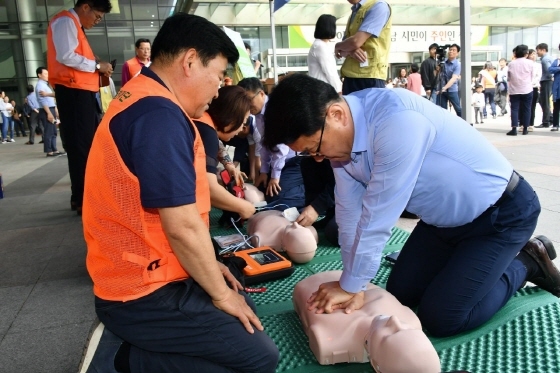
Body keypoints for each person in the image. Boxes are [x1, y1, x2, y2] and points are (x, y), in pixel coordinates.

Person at [260, 73, 560, 338]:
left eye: (315, 148)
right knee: (401, 293)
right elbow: (350, 214)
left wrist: (352, 286)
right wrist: (351, 279)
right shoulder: (341, 144)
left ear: (336, 114)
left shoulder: (396, 121)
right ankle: (467, 264)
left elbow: (377, 216)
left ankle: (527, 262)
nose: (318, 158)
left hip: (499, 216)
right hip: (441, 223)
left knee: (443, 317)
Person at [82, 13, 279, 372]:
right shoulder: (158, 115)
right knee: (258, 357)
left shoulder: (146, 98)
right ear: (189, 62)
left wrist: (210, 266)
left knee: (241, 309)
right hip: (140, 290)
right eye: (218, 75)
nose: (219, 89)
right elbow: (182, 226)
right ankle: (122, 360)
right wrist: (218, 294)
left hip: (148, 271)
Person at [293, 271, 441, 372]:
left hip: (310, 289)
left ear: (376, 366)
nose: (394, 320)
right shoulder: (411, 320)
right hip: (340, 280)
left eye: (388, 335)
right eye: (407, 329)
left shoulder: (328, 341)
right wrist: (353, 286)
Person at [47, 0, 114, 215]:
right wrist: (96, 65)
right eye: (97, 16)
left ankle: (81, 197)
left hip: (80, 92)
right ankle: (84, 199)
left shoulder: (75, 25)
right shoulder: (66, 21)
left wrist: (98, 66)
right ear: (85, 6)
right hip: (73, 92)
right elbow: (65, 56)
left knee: (84, 146)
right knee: (80, 148)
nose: (96, 21)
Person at [238, 77, 306, 210]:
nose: (248, 105)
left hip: (295, 160)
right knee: (264, 191)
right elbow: (264, 145)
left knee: (277, 197)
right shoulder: (258, 115)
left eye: (249, 100)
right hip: (278, 163)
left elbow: (281, 148)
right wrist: (264, 172)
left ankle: (305, 198)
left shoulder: (275, 110)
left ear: (261, 94)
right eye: (244, 102)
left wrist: (274, 177)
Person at [192, 85, 256, 220]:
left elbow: (216, 143)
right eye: (242, 122)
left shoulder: (204, 122)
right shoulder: (207, 133)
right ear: (232, 118)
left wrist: (229, 165)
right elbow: (209, 187)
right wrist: (242, 206)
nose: (240, 129)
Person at [335, 0, 392, 94]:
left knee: (371, 108)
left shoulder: (379, 6)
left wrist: (338, 46)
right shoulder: (355, 11)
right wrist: (350, 50)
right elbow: (343, 50)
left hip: (370, 76)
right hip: (350, 77)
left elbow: (355, 41)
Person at [308, 14, 342, 93]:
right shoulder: (320, 47)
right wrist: (339, 90)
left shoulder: (319, 45)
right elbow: (330, 72)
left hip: (321, 90)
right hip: (324, 92)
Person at [506, 45, 534, 136]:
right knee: (527, 108)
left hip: (514, 90)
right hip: (527, 89)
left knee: (514, 109)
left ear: (515, 53)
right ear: (526, 53)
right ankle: (525, 129)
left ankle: (514, 128)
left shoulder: (511, 64)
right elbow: (532, 76)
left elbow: (509, 78)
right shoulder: (530, 63)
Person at [36, 67, 62, 156]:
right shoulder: (40, 85)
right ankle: (49, 150)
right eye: (45, 74)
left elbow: (50, 100)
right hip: (46, 110)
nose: (47, 76)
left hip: (51, 108)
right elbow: (42, 101)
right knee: (49, 131)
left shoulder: (45, 85)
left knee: (53, 131)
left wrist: (55, 110)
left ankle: (54, 149)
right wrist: (49, 113)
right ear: (39, 75)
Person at [437, 43, 462, 117]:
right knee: (442, 110)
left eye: (454, 50)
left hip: (452, 90)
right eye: (450, 50)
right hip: (441, 89)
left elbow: (454, 78)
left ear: (457, 53)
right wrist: (437, 68)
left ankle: (463, 122)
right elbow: (436, 74)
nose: (451, 51)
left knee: (458, 109)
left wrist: (445, 88)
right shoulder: (442, 61)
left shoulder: (457, 64)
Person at [535, 43, 553, 129]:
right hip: (547, 81)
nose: (537, 52)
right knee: (543, 101)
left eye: (538, 50)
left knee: (544, 101)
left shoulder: (545, 60)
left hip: (546, 81)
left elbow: (549, 71)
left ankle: (546, 121)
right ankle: (550, 118)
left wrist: (550, 78)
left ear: (543, 50)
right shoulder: (548, 58)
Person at [528, 49, 541, 132]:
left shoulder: (538, 65)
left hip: (533, 87)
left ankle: (531, 124)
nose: (533, 56)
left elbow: (538, 77)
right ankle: (523, 123)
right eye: (532, 54)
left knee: (532, 107)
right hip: (524, 87)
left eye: (535, 54)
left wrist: (531, 83)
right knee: (524, 107)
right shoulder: (525, 64)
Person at [548, 46, 560, 132]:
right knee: (556, 108)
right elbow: (550, 69)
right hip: (557, 89)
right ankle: (555, 124)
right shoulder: (557, 61)